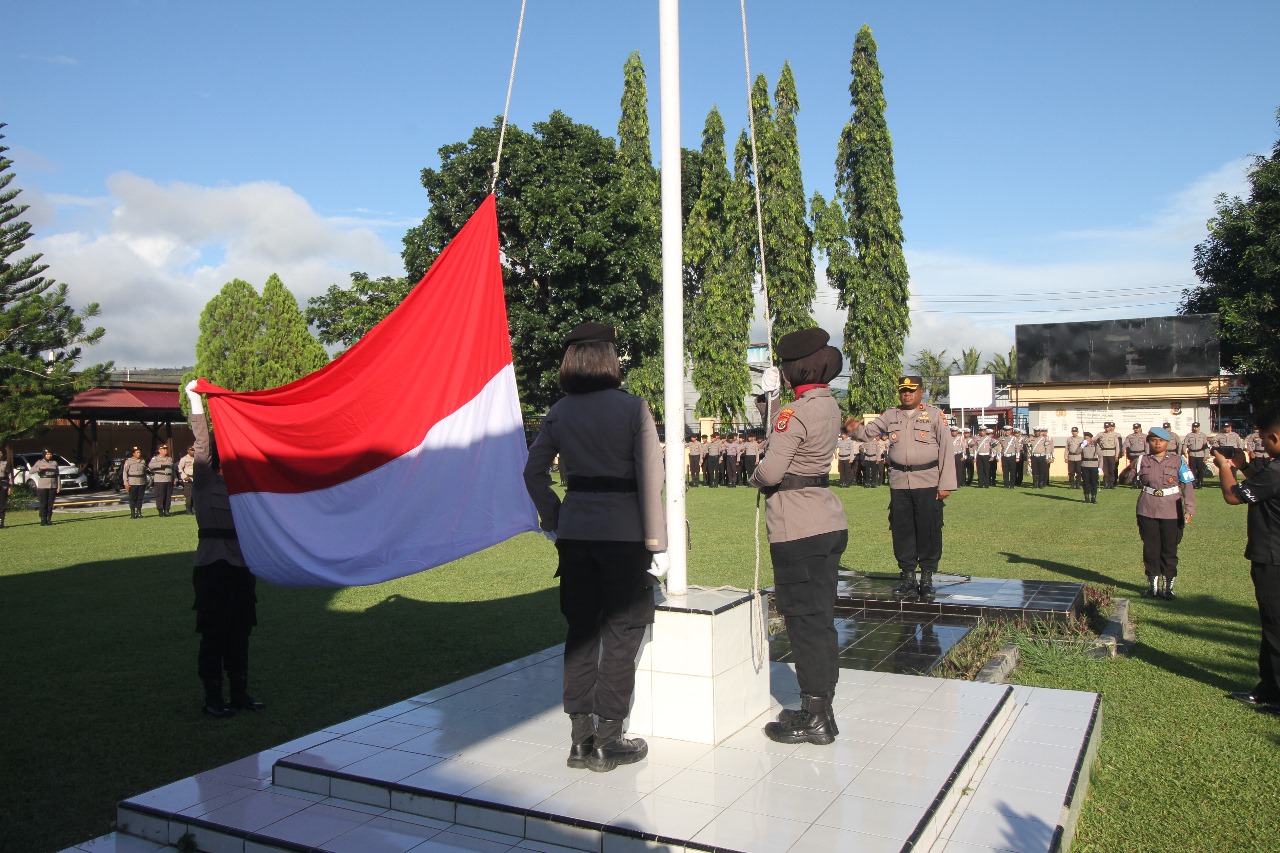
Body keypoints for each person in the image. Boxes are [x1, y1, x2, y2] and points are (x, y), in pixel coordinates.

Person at [523, 322, 665, 773]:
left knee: (581, 632)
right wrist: (656, 539)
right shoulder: (632, 408)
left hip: (577, 533)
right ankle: (608, 739)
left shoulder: (560, 411)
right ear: (609, 359)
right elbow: (652, 477)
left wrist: (554, 515)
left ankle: (580, 740)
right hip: (623, 533)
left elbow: (533, 472)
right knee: (622, 633)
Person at [749, 327, 847, 745]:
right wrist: (771, 402)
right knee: (820, 620)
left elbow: (772, 470)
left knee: (804, 623)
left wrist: (755, 476)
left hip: (797, 524)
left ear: (794, 369)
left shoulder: (795, 412)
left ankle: (815, 717)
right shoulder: (828, 404)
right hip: (825, 517)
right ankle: (821, 708)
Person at [184, 380, 265, 717]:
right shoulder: (206, 482)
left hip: (242, 566)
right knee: (214, 634)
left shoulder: (245, 483)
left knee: (240, 633)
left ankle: (240, 693)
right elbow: (202, 445)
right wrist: (195, 401)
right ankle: (213, 698)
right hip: (214, 566)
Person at [848, 375, 956, 599]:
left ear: (921, 391)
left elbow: (946, 448)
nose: (907, 394)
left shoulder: (934, 415)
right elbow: (866, 433)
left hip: (927, 480)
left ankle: (926, 578)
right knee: (902, 529)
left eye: (911, 390)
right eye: (903, 391)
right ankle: (907, 577)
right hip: (899, 482)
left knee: (929, 529)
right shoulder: (891, 415)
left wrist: (945, 484)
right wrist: (852, 429)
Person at [1212, 409, 1280, 714]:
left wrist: (1224, 466)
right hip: (1272, 556)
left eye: (1264, 439)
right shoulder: (1273, 471)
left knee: (1276, 627)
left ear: (1274, 437)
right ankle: (1268, 687)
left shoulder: (1276, 470)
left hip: (1273, 559)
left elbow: (1233, 496)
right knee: (1271, 625)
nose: (1261, 444)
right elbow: (1264, 490)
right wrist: (1244, 467)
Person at [1135, 426, 1195, 599]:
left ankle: (1168, 587)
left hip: (1171, 510)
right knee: (1150, 548)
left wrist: (1189, 509)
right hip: (1147, 508)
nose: (1157, 443)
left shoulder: (1178, 461)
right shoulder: (1142, 460)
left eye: (1161, 440)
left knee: (1169, 548)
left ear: (1167, 442)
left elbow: (1187, 486)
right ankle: (1152, 586)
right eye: (1153, 440)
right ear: (1149, 442)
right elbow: (1127, 478)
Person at [34, 450, 60, 526]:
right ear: (44, 454)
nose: (49, 455)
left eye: (50, 454)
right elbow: (31, 471)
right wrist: (40, 468)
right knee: (43, 503)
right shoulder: (39, 462)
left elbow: (57, 475)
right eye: (47, 454)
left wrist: (58, 486)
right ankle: (43, 520)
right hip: (43, 485)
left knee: (50, 503)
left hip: (53, 485)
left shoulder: (54, 463)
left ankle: (49, 519)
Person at [149, 445, 177, 517]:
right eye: (163, 449)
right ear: (159, 450)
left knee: (168, 496)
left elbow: (172, 469)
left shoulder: (169, 458)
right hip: (160, 479)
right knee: (160, 496)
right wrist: (161, 463)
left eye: (166, 449)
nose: (165, 450)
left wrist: (175, 478)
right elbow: (150, 466)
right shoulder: (155, 458)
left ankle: (167, 510)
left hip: (169, 478)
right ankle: (161, 511)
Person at [122, 447, 148, 518]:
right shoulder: (128, 461)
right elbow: (125, 472)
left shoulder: (142, 461)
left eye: (140, 452)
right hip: (132, 482)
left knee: (140, 498)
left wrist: (145, 481)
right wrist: (126, 483)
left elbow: (144, 472)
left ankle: (139, 513)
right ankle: (132, 513)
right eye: (137, 452)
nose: (139, 454)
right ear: (133, 454)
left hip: (141, 482)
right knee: (133, 498)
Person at [1183, 422, 1210, 488]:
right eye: (1194, 427)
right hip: (1192, 454)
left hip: (1200, 454)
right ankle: (1193, 482)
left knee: (1200, 469)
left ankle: (1200, 482)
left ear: (1199, 427)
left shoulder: (1203, 435)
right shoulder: (1189, 435)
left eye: (1197, 427)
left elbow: (1206, 446)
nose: (1195, 428)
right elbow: (1185, 444)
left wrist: (1206, 455)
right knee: (1192, 469)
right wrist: (1184, 452)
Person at [1097, 422, 1122, 488]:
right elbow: (1094, 440)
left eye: (1108, 427)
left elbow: (1117, 446)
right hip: (1104, 453)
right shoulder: (1101, 434)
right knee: (1105, 470)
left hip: (1112, 453)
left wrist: (1116, 456)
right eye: (1105, 427)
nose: (1106, 428)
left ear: (1110, 428)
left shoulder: (1114, 435)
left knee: (1112, 469)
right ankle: (1106, 483)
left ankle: (1111, 483)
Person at [1079, 431, 1101, 503]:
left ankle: (1093, 497)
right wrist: (1081, 446)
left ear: (1091, 438)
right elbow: (1077, 452)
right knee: (1086, 482)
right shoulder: (1082, 444)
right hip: (1085, 465)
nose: (1086, 440)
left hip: (1094, 465)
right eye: (1085, 438)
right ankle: (1086, 496)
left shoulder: (1095, 445)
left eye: (1087, 438)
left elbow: (1100, 456)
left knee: (1094, 482)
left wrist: (1100, 467)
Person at [1123, 423, 1148, 487]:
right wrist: (1123, 451)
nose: (1136, 429)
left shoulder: (1144, 436)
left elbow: (1146, 446)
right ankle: (1134, 482)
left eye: (1137, 428)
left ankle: (1141, 482)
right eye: (1135, 428)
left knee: (1140, 468)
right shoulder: (1130, 436)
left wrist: (1147, 454)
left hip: (1141, 454)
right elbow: (1126, 444)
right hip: (1133, 454)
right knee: (1133, 469)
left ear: (1140, 428)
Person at [178, 445, 196, 512]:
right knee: (189, 495)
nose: (193, 451)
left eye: (194, 450)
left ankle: (194, 508)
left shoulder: (196, 458)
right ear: (188, 451)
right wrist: (184, 477)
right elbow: (180, 468)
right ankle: (188, 509)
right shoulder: (184, 459)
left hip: (196, 478)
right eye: (191, 450)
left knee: (195, 495)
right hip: (188, 479)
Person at [1, 453, 12, 528]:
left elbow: (9, 475)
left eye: (1, 453)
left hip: (3, 484)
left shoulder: (6, 463)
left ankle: (1, 522)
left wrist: (9, 486)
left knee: (2, 504)